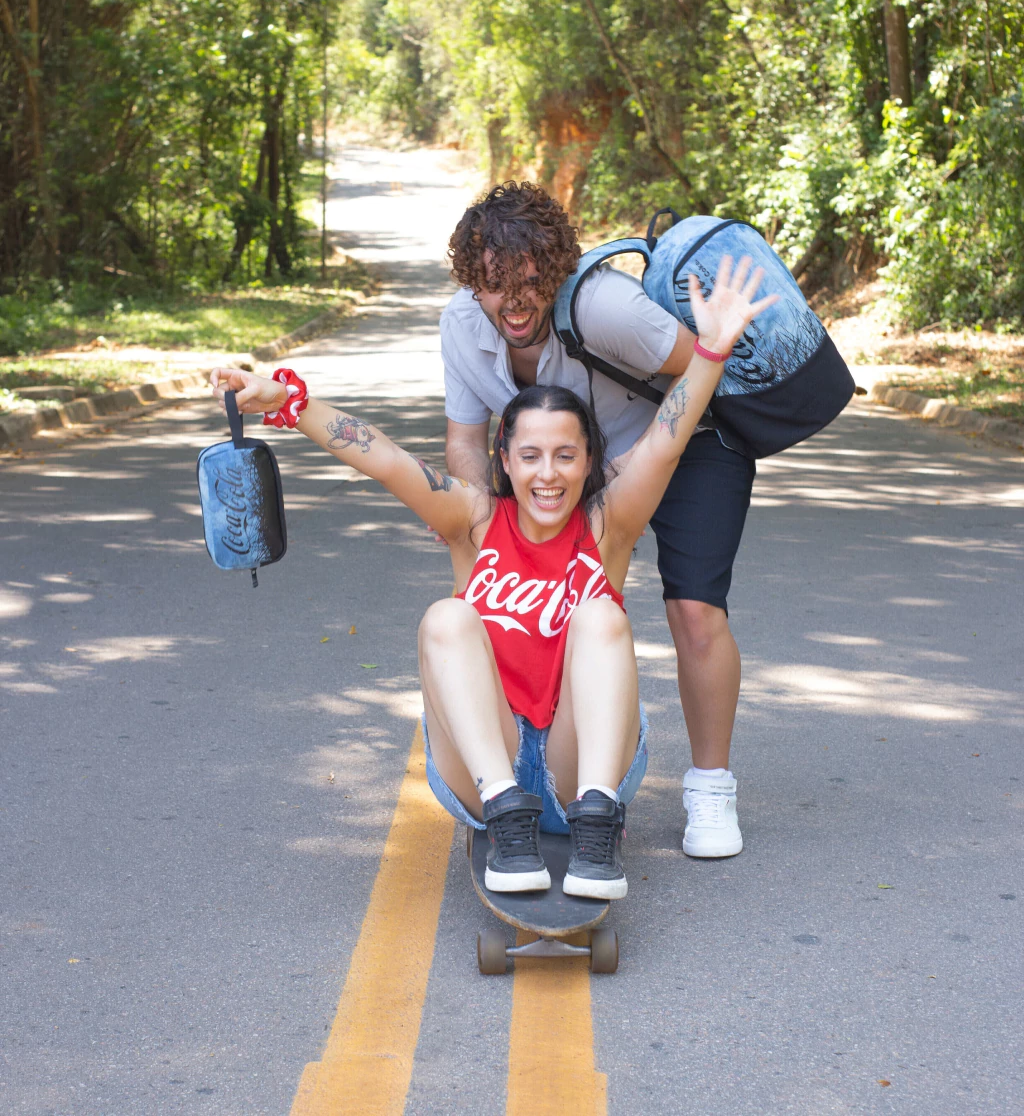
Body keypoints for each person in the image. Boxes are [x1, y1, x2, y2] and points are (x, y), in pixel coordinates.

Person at [210, 256, 774, 899]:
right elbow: (383, 457)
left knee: (602, 615)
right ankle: (508, 818)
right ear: (503, 459)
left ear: (589, 461)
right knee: (446, 618)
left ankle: (597, 826)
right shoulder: (472, 519)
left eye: (566, 455)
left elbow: (667, 442)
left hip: (580, 764)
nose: (547, 474)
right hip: (487, 767)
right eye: (529, 455)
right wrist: (289, 401)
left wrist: (710, 351)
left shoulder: (608, 523)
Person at [443, 181, 759, 859]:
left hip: (686, 440)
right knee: (548, 610)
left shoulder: (605, 307)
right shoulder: (462, 325)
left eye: (529, 282)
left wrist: (625, 473)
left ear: (555, 272)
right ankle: (523, 759)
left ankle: (710, 789)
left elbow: (699, 369)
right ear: (473, 282)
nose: (513, 301)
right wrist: (484, 532)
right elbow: (466, 439)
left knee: (694, 610)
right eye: (494, 285)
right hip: (573, 466)